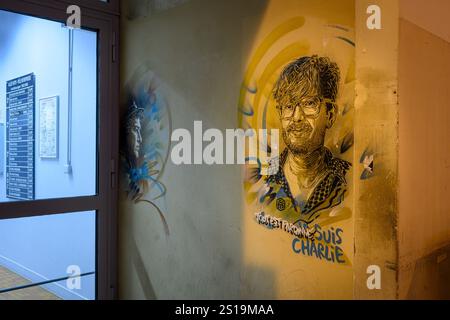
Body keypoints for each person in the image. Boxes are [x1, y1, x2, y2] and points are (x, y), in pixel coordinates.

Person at [263, 55, 351, 225]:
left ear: (330, 114)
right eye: (288, 106)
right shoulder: (266, 177)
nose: (296, 117)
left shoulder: (347, 181)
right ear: (281, 113)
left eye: (309, 103)